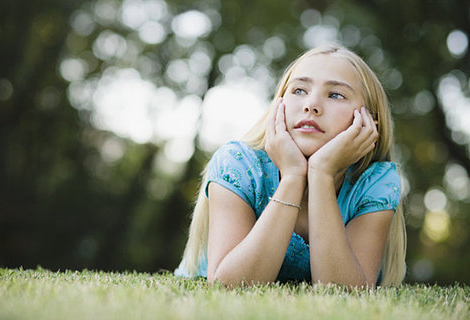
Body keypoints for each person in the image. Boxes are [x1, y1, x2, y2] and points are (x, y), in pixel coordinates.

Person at [174, 44, 406, 288]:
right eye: (299, 90)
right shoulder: (238, 164)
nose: (311, 105)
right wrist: (293, 176)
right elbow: (228, 286)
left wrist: (321, 174)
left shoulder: (374, 181)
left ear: (368, 122)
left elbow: (345, 293)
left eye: (336, 94)